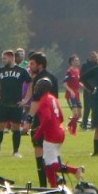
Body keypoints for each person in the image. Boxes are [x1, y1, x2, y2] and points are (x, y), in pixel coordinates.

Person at [32, 79, 85, 187]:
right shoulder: (53, 98)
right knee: (47, 162)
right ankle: (53, 186)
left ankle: (75, 170)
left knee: (50, 163)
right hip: (59, 131)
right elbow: (60, 117)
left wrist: (38, 133)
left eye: (37, 86)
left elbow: (46, 118)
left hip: (52, 134)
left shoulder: (44, 101)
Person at [0, 49, 30, 157]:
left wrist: (26, 99)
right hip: (3, 104)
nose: (3, 61)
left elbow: (31, 83)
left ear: (12, 58)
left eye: (5, 58)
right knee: (0, 127)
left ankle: (16, 151)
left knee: (16, 128)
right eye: (2, 58)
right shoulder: (0, 70)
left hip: (16, 105)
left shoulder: (21, 71)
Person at [24, 52, 57, 186]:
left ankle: (43, 184)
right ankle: (55, 180)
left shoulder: (40, 81)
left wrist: (28, 119)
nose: (30, 66)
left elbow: (36, 102)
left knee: (39, 151)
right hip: (53, 119)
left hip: (41, 119)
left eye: (32, 64)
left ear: (40, 65)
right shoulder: (52, 78)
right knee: (50, 153)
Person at [63, 55, 82, 135]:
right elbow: (64, 83)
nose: (77, 61)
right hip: (71, 96)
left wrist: (85, 87)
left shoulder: (78, 70)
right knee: (75, 113)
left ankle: (69, 125)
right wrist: (71, 91)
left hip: (77, 95)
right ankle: (73, 131)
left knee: (79, 114)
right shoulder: (69, 71)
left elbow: (78, 82)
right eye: (76, 60)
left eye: (77, 60)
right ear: (72, 62)